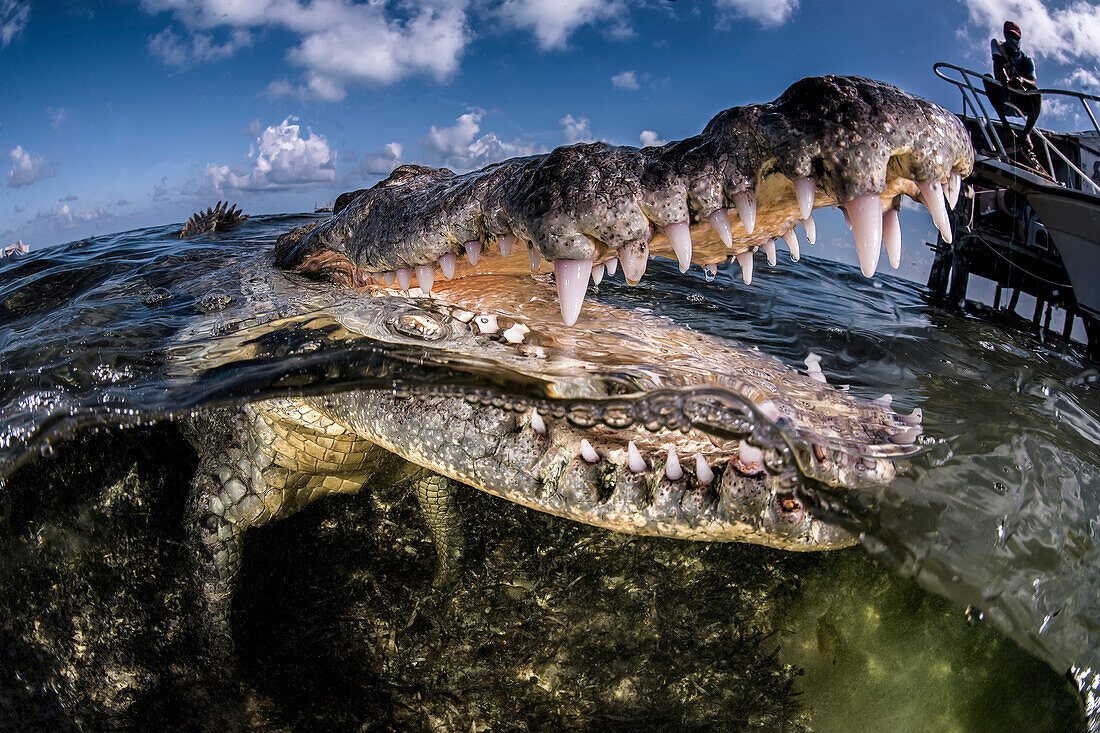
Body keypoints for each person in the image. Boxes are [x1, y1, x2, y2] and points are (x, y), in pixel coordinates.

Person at [985, 21, 1042, 166]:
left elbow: (1034, 83)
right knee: (987, 78)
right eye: (1009, 36)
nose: (1012, 40)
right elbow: (997, 63)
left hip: (1021, 101)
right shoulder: (998, 46)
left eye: (1015, 37)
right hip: (1004, 97)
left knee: (1036, 94)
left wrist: (1021, 80)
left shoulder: (1027, 60)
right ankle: (1006, 127)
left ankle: (1026, 133)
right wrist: (1005, 78)